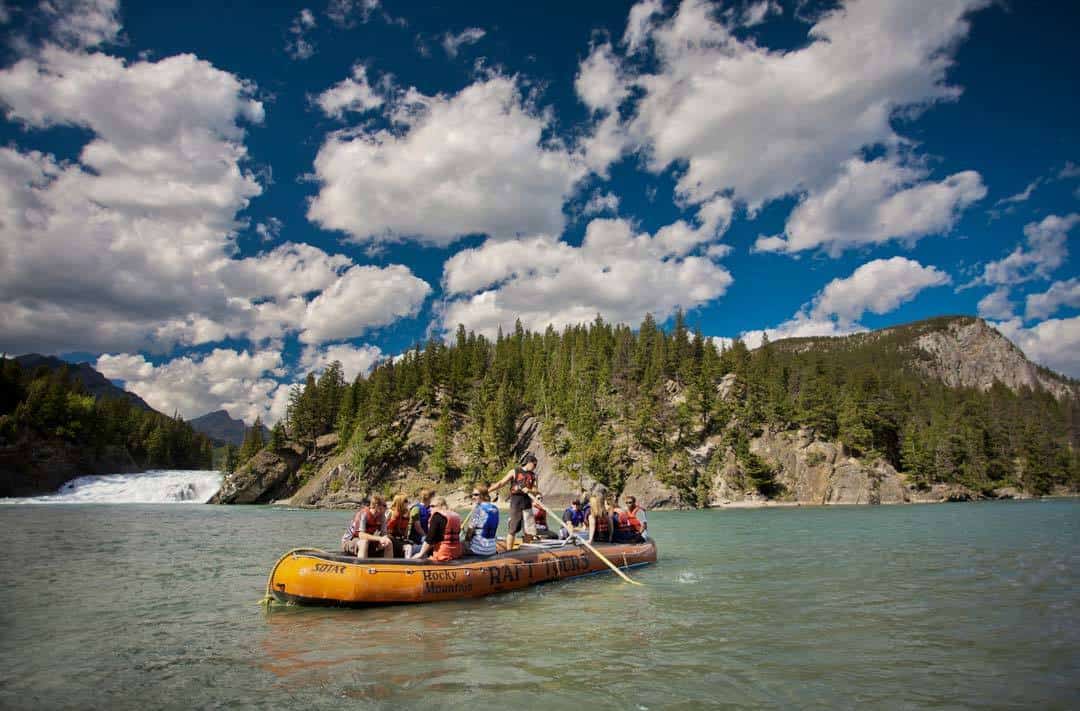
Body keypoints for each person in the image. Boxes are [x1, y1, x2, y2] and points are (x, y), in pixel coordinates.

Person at [490, 452, 540, 550]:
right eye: (534, 464)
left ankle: (526, 550)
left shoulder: (534, 476)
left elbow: (535, 490)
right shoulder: (515, 471)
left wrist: (528, 490)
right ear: (529, 462)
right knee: (512, 528)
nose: (535, 467)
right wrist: (487, 491)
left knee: (529, 530)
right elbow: (501, 483)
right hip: (516, 502)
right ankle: (509, 550)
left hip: (527, 503)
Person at [410, 496, 463, 562]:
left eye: (432, 506)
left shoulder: (437, 516)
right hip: (456, 553)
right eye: (429, 506)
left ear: (441, 506)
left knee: (410, 549)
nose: (429, 509)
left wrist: (420, 554)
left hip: (443, 554)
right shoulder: (456, 516)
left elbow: (430, 538)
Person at [341, 494, 392, 558]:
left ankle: (387, 566)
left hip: (368, 541)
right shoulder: (363, 514)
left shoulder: (382, 517)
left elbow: (384, 534)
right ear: (376, 506)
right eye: (384, 505)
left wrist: (384, 539)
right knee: (364, 543)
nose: (386, 508)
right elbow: (361, 535)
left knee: (388, 542)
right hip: (349, 541)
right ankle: (362, 567)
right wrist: (379, 538)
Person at [463, 484, 499, 556]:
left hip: (478, 551)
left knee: (460, 545)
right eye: (472, 495)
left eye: (476, 495)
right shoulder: (495, 509)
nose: (473, 497)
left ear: (483, 495)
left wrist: (466, 542)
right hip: (492, 549)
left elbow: (470, 531)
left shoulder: (478, 509)